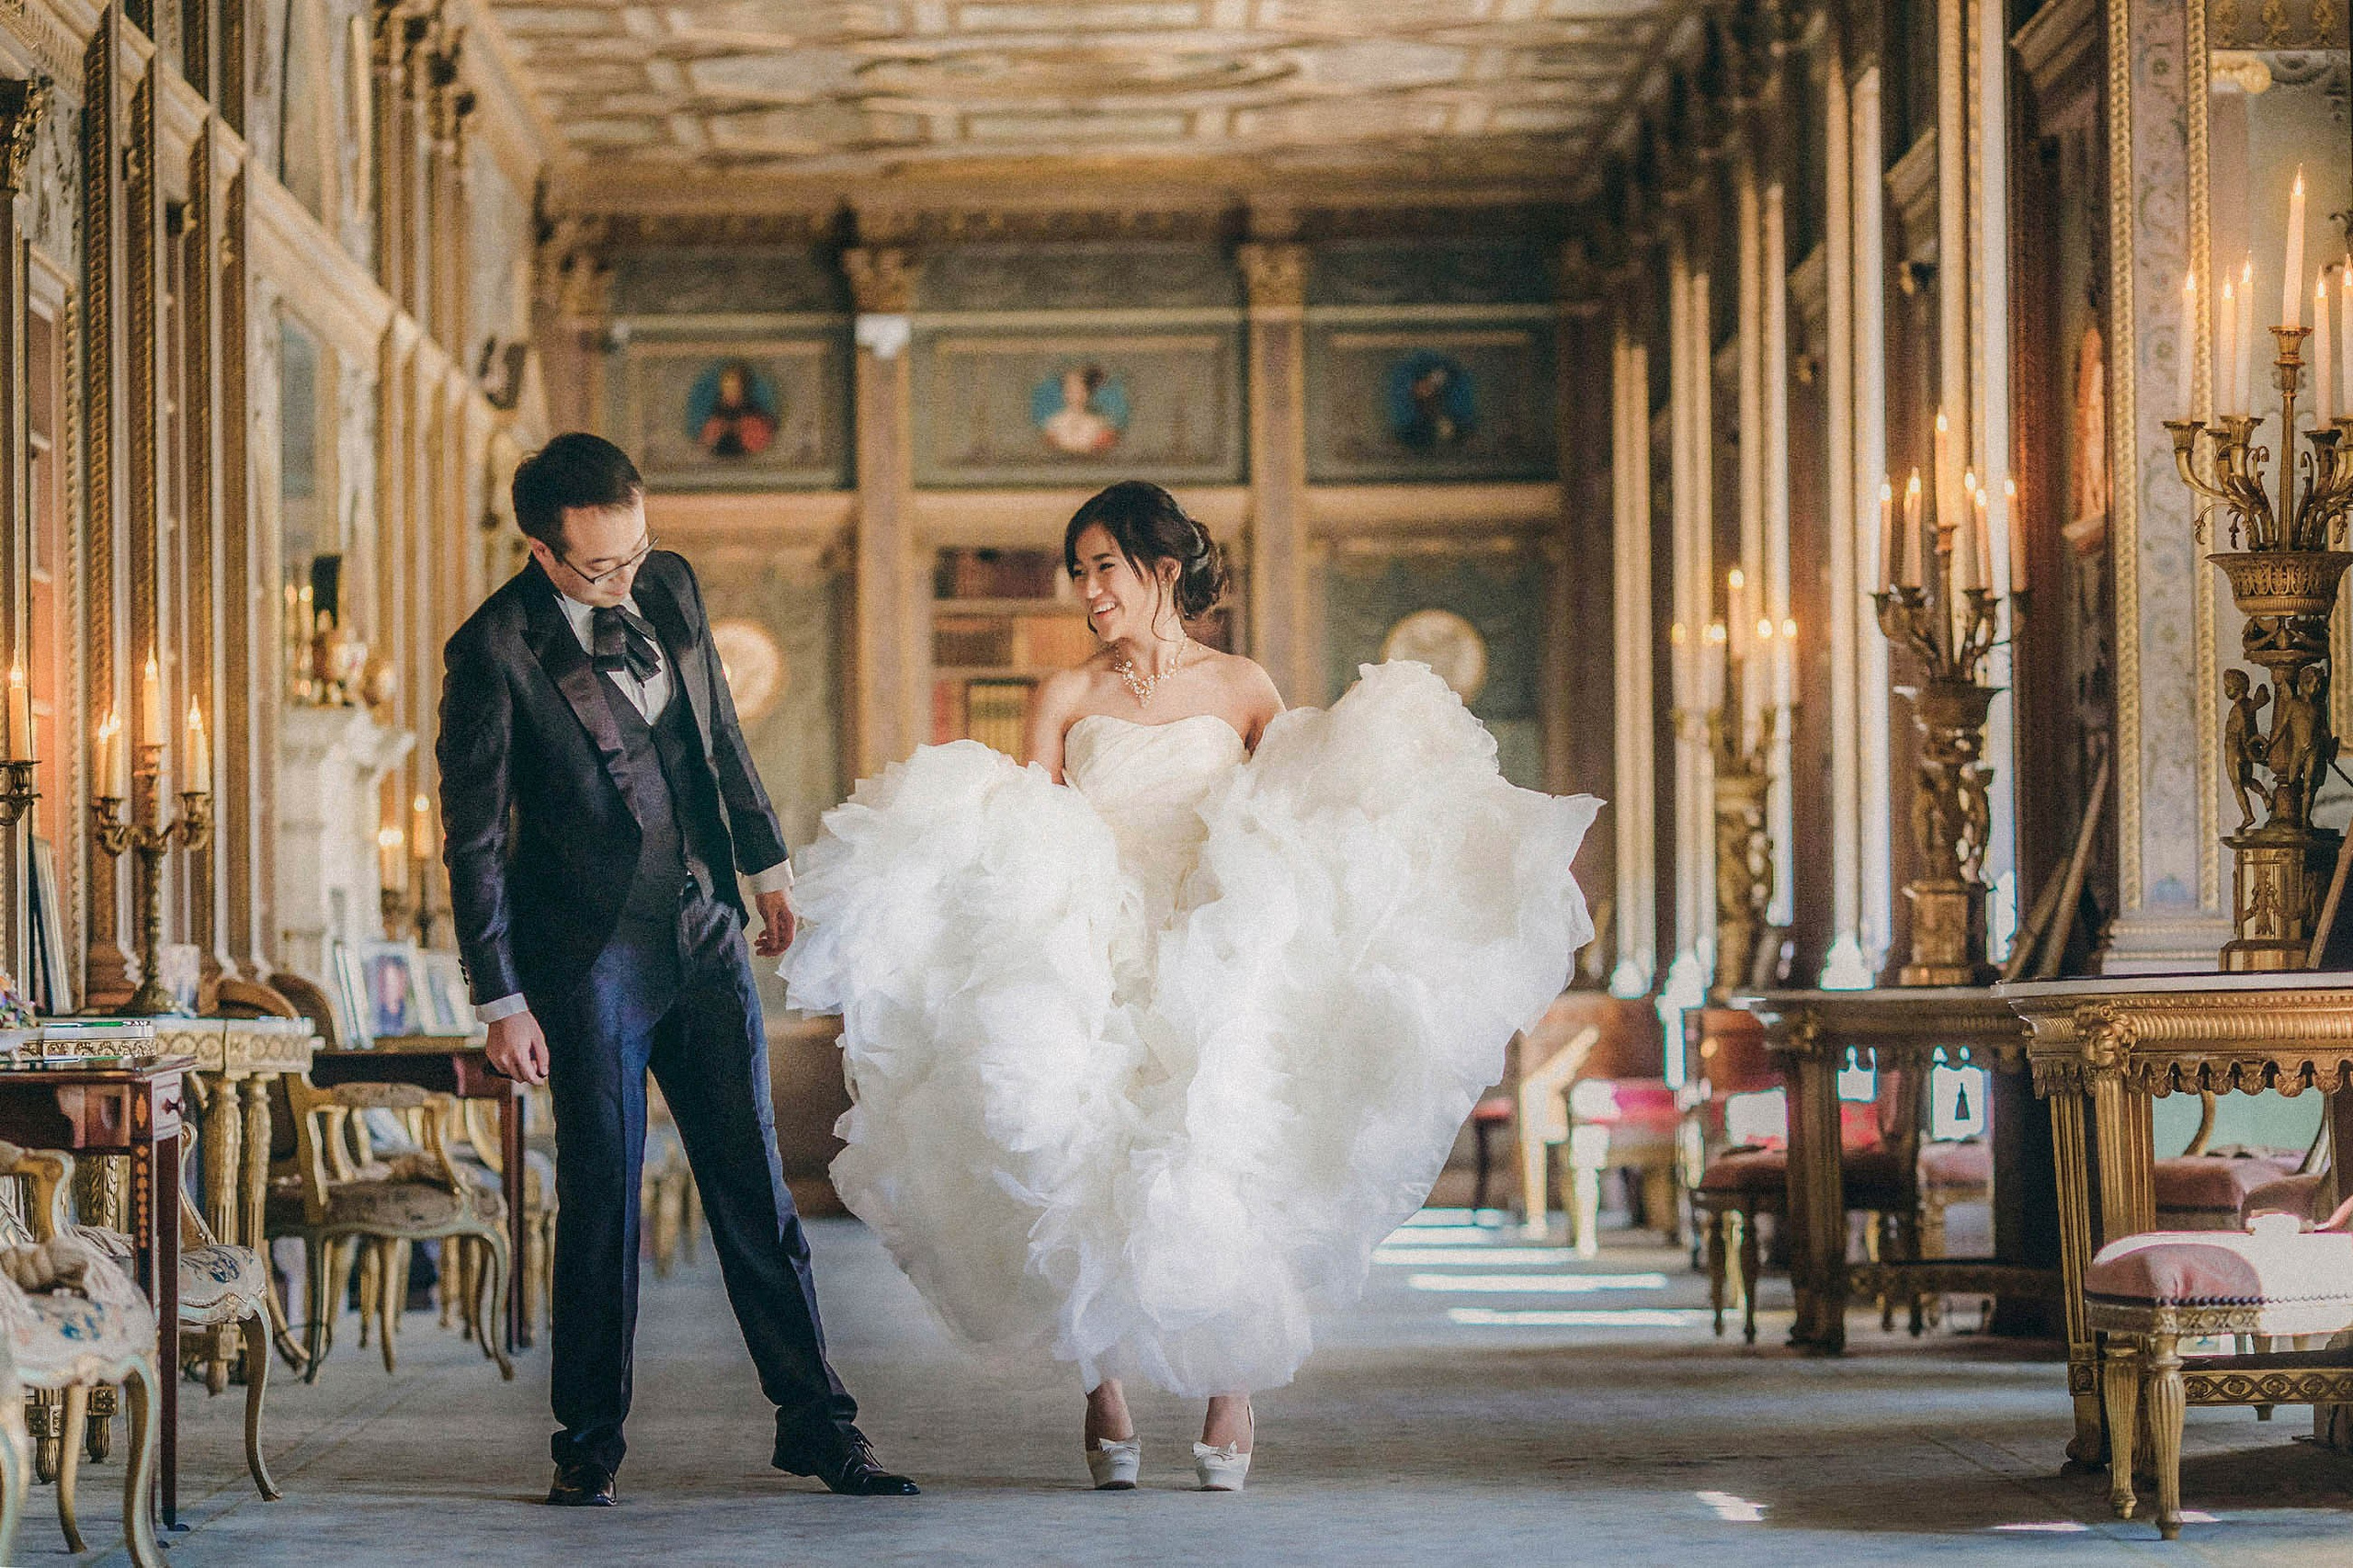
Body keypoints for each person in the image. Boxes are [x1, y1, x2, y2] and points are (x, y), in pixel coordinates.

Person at [780, 480, 1597, 1493]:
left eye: (1103, 567)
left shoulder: (1244, 685)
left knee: (1222, 1151)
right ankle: (1104, 1381)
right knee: (1085, 1152)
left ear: (1161, 569)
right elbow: (1023, 827)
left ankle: (1230, 1387)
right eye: (1077, 571)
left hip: (1215, 936)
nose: (1087, 589)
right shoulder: (1066, 694)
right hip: (1095, 941)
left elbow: (1297, 812)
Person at [437, 433, 915, 1507]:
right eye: (599, 565)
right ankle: (588, 1443)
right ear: (543, 553)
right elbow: (470, 840)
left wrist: (766, 866)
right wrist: (500, 995)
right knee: (600, 1204)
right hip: (587, 961)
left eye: (637, 550)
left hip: (704, 934)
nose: (625, 577)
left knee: (755, 1191)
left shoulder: (671, 582)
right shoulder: (492, 651)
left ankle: (820, 1426)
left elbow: (719, 732)